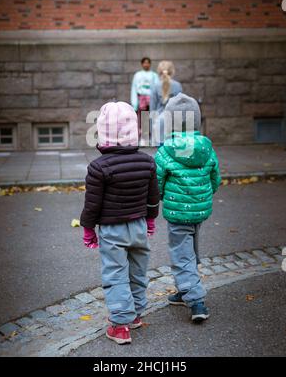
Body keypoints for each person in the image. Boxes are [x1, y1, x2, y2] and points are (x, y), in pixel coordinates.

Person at [80, 101, 160, 345]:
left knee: (116, 274)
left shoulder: (98, 167)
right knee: (137, 270)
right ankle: (134, 314)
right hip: (138, 226)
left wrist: (87, 229)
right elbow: (153, 196)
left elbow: (92, 204)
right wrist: (150, 220)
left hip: (112, 230)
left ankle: (120, 325)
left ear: (103, 132)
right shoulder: (147, 162)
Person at [155, 93, 221, 323]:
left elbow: (158, 182)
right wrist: (205, 195)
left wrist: (160, 198)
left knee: (181, 254)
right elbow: (215, 178)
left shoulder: (165, 151)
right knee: (190, 249)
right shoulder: (206, 147)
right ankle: (184, 290)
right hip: (199, 210)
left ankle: (196, 300)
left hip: (177, 212)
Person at [150, 61, 182, 146]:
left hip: (159, 121)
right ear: (172, 71)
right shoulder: (177, 85)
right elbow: (180, 106)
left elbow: (152, 109)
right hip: (175, 121)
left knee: (161, 151)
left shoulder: (155, 86)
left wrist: (151, 129)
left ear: (159, 72)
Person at [131, 57, 159, 141]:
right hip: (142, 99)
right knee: (142, 118)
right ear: (142, 64)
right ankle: (143, 137)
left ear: (150, 64)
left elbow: (157, 88)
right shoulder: (137, 75)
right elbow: (134, 88)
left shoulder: (154, 75)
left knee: (152, 117)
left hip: (152, 99)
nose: (146, 64)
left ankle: (152, 137)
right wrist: (134, 103)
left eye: (148, 63)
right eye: (144, 63)